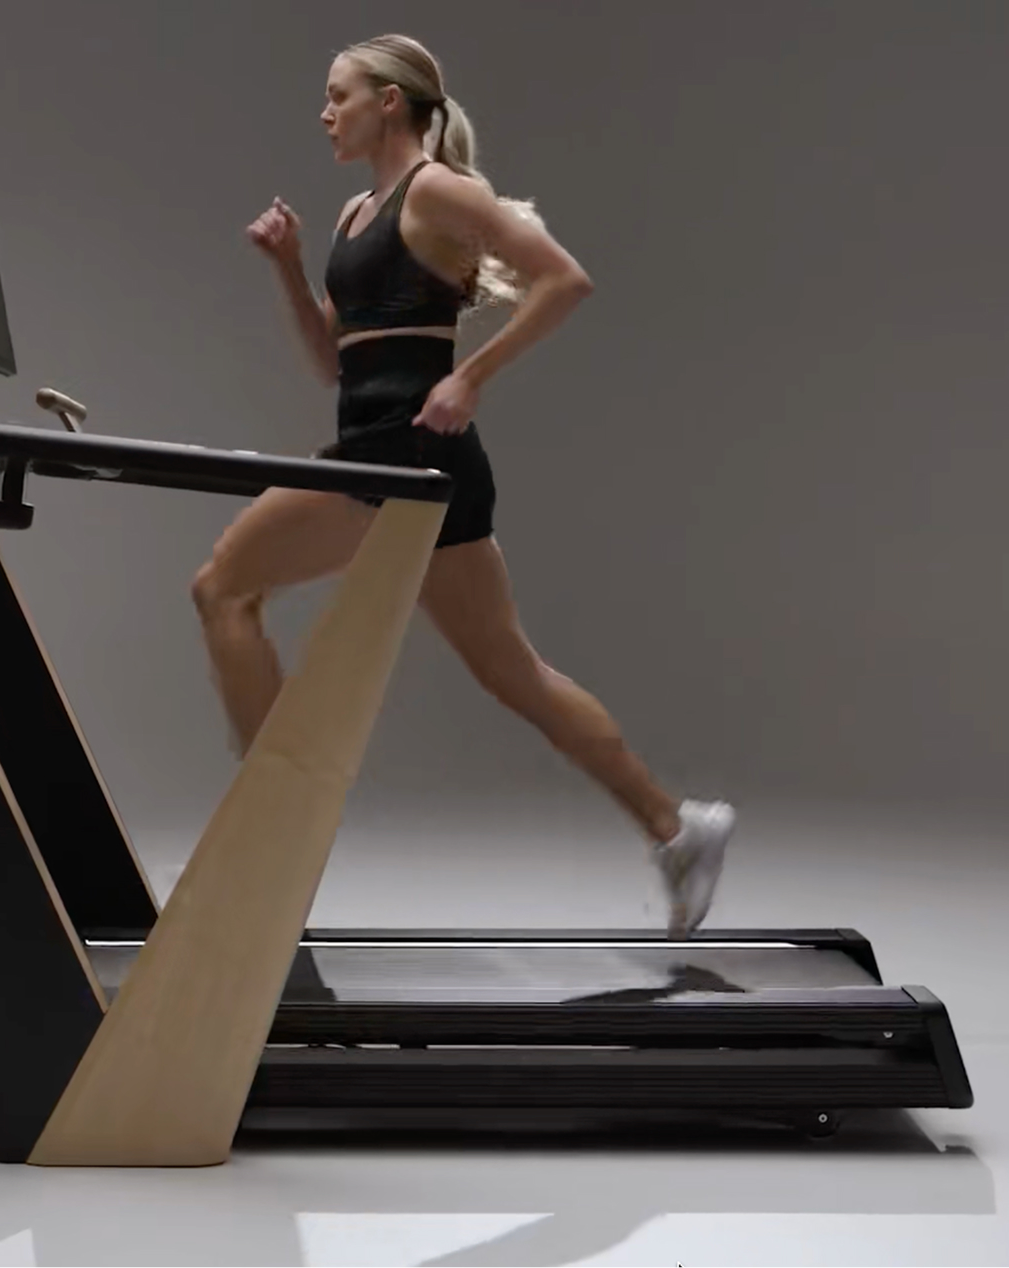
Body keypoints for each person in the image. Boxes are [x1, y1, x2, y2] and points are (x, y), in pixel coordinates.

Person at [190, 33, 737, 937]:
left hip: (403, 460)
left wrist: (470, 376)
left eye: (340, 95)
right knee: (512, 672)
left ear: (391, 103)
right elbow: (333, 363)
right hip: (393, 452)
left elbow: (564, 280)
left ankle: (271, 836)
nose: (325, 113)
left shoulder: (437, 190)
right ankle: (679, 830)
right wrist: (289, 269)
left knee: (223, 588)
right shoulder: (354, 215)